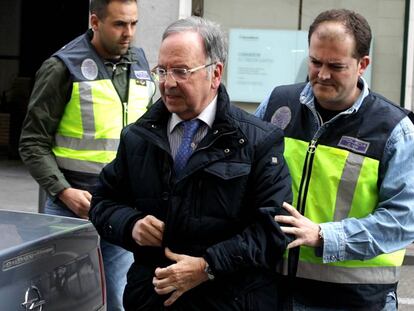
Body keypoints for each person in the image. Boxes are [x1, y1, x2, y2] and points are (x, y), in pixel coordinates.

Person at [89, 16, 292, 311]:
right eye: (162, 70)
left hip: (227, 300)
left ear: (215, 73)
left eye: (182, 71)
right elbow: (102, 202)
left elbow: (273, 229)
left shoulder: (257, 141)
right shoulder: (137, 137)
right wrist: (131, 225)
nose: (168, 83)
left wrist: (207, 266)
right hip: (151, 298)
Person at [256, 8, 414, 311]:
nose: (322, 74)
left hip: (355, 301)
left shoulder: (395, 130)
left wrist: (324, 236)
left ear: (362, 65)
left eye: (336, 66)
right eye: (315, 62)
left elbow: (403, 220)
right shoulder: (278, 105)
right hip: (272, 292)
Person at [18, 0, 155, 310]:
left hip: (121, 207)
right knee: (62, 300)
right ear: (95, 21)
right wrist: (64, 192)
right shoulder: (62, 67)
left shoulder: (141, 63)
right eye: (119, 24)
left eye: (134, 24)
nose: (129, 33)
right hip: (70, 208)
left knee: (120, 298)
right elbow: (31, 143)